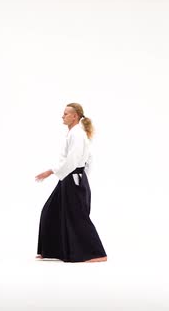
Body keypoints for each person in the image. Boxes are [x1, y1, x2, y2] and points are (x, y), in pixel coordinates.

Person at [35, 103, 107, 263]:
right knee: (50, 211)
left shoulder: (77, 134)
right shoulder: (74, 133)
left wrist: (51, 171)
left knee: (78, 216)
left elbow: (73, 160)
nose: (63, 116)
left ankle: (96, 253)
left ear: (75, 116)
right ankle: (52, 249)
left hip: (72, 179)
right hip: (68, 178)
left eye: (66, 113)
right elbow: (88, 159)